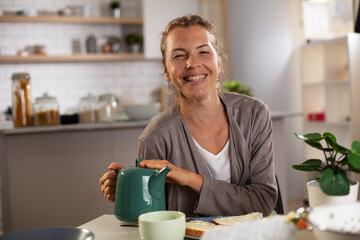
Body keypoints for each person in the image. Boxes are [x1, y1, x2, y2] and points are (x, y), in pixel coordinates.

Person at [99, 14, 277, 217]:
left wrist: (191, 179)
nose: (192, 63)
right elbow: (151, 217)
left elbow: (263, 201)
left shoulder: (254, 115)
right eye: (179, 56)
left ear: (218, 62)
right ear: (166, 70)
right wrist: (127, 189)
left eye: (203, 52)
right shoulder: (155, 138)